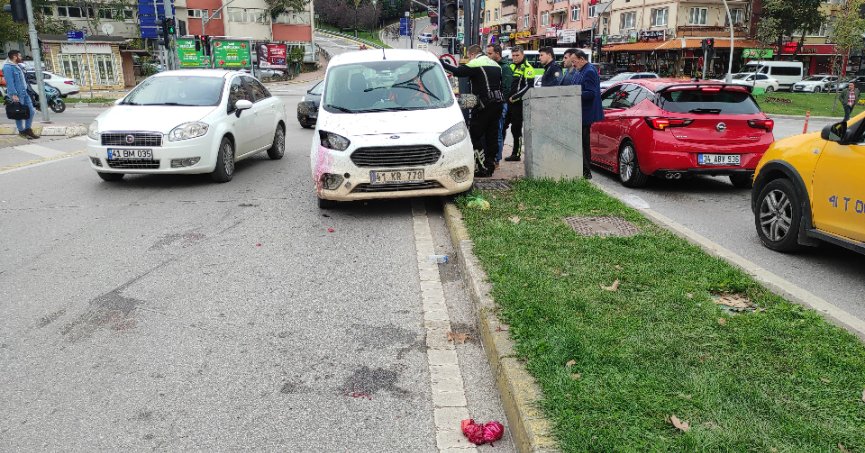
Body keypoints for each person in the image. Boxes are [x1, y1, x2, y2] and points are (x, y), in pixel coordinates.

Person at [440, 44, 504, 177]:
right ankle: (490, 166)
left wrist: (442, 63)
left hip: (484, 105)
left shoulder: (476, 63)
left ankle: (481, 167)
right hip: (497, 104)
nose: (469, 60)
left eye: (469, 57)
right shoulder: (495, 65)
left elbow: (458, 72)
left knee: (475, 135)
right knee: (492, 136)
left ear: (472, 54)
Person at [570, 50, 602, 179]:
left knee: (583, 144)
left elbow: (591, 93)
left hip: (585, 113)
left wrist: (574, 94)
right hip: (579, 113)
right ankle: (583, 169)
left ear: (582, 59)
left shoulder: (589, 71)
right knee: (581, 143)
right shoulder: (580, 70)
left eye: (574, 61)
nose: (573, 64)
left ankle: (586, 171)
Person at [504, 46, 535, 162]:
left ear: (522, 55)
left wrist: (515, 97)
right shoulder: (511, 66)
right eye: (513, 55)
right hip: (507, 103)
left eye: (517, 55)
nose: (515, 58)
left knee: (516, 129)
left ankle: (516, 154)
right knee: (503, 126)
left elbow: (529, 86)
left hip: (518, 104)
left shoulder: (528, 68)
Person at [486, 44, 513, 167]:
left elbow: (507, 88)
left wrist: (501, 102)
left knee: (498, 132)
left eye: (490, 53)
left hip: (500, 104)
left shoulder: (505, 68)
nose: (488, 56)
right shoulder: (491, 65)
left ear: (497, 53)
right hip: (492, 103)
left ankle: (497, 159)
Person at [2, 50, 38, 139]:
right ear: (15, 57)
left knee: (31, 111)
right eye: (20, 56)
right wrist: (14, 95)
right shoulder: (8, 67)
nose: (21, 57)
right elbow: (10, 82)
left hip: (24, 92)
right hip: (17, 94)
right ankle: (21, 131)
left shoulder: (17, 66)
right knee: (18, 113)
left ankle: (28, 129)